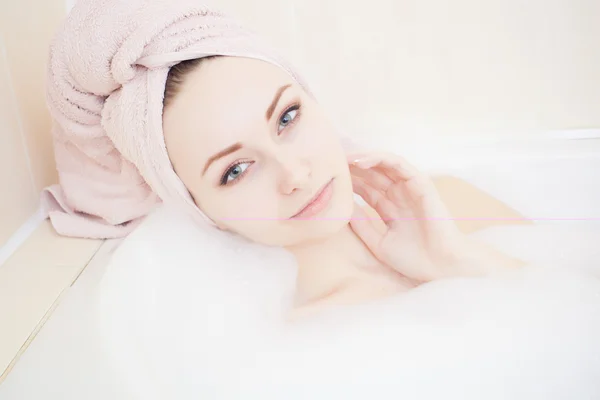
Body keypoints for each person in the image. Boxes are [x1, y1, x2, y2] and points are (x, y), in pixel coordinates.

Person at [160, 55, 525, 320]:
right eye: (236, 170)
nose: (295, 176)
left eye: (287, 117)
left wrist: (458, 261)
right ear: (201, 210)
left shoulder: (450, 199)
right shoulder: (311, 345)